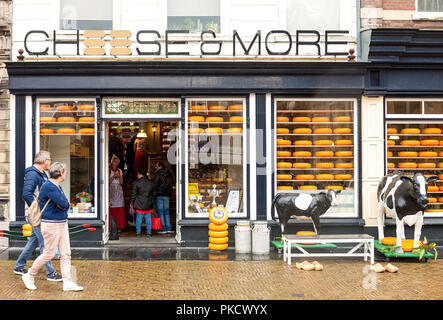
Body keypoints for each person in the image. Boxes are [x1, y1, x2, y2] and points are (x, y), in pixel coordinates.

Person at [22, 162, 83, 291]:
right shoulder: (49, 186)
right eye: (65, 172)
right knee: (49, 253)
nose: (66, 174)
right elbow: (64, 203)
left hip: (62, 223)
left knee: (66, 253)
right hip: (51, 225)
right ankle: (30, 274)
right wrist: (63, 204)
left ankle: (67, 282)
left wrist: (63, 204)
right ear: (61, 173)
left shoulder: (56, 186)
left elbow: (64, 203)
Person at [14, 151, 62, 282]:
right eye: (49, 160)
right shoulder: (32, 174)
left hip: (40, 214)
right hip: (38, 215)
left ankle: (19, 266)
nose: (50, 162)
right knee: (45, 244)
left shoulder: (42, 174)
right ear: (44, 161)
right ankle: (51, 274)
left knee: (34, 240)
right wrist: (36, 209)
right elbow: (26, 194)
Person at [130, 169, 155, 238]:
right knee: (148, 219)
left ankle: (138, 233)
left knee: (138, 219)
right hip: (148, 203)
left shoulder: (136, 183)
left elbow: (133, 194)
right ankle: (149, 233)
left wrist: (131, 203)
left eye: (138, 174)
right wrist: (152, 203)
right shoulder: (151, 183)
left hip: (139, 203)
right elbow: (153, 194)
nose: (137, 176)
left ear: (141, 174)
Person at [153, 162, 174, 234]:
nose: (155, 167)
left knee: (161, 212)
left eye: (156, 166)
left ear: (160, 166)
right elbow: (171, 183)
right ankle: (169, 228)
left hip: (159, 195)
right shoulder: (169, 174)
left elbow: (155, 185)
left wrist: (154, 193)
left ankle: (163, 228)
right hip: (167, 195)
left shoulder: (158, 174)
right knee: (167, 212)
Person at [109, 155, 126, 231]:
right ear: (112, 163)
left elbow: (122, 182)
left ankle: (119, 226)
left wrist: (119, 176)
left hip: (118, 189)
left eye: (117, 162)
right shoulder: (109, 170)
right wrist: (113, 177)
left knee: (119, 207)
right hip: (111, 189)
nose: (116, 164)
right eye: (115, 162)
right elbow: (107, 182)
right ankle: (111, 226)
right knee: (111, 207)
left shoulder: (120, 170)